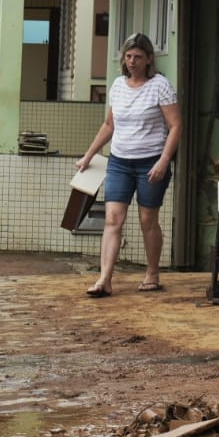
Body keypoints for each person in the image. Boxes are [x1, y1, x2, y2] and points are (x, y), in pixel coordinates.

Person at [76, 33, 181, 297]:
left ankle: (152, 273)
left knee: (147, 219)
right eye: (128, 56)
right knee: (113, 219)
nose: (132, 61)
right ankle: (104, 280)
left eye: (138, 57)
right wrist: (88, 156)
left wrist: (163, 160)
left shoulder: (160, 85)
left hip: (151, 162)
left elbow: (176, 125)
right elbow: (109, 125)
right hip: (119, 162)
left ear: (148, 60)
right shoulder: (118, 86)